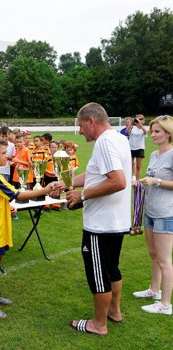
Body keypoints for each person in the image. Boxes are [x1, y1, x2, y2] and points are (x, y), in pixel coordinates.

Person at [59, 102, 132, 335]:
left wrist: (81, 195)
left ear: (91, 121)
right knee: (112, 270)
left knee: (99, 276)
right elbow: (95, 174)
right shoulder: (119, 138)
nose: (80, 131)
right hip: (116, 221)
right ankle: (114, 312)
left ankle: (98, 325)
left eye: (81, 125)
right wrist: (67, 182)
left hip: (100, 225)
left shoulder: (104, 142)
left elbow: (118, 181)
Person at [0, 137, 55, 319]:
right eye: (3, 153)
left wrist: (7, 206)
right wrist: (45, 190)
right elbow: (18, 195)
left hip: (1, 223)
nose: (7, 156)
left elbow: (3, 197)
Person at [133, 115, 173, 315]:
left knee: (165, 260)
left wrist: (155, 181)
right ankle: (154, 290)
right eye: (152, 131)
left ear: (168, 133)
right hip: (150, 211)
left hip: (166, 213)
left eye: (157, 131)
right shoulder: (154, 154)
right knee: (153, 254)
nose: (153, 135)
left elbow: (158, 181)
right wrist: (140, 182)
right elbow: (150, 178)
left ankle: (165, 304)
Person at [127, 114, 147, 180]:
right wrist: (131, 123)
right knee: (130, 165)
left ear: (143, 120)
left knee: (138, 166)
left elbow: (145, 132)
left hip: (139, 148)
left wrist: (140, 123)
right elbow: (127, 131)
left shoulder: (143, 128)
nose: (139, 120)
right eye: (138, 119)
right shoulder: (133, 128)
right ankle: (130, 179)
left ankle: (138, 181)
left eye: (141, 119)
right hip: (131, 148)